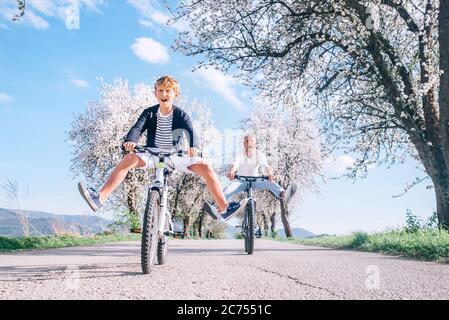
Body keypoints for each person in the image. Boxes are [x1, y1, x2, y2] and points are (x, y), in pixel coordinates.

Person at [78, 75, 247, 219]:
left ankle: (224, 208)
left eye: (168, 91)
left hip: (175, 156)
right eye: (160, 90)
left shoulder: (180, 114)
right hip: (152, 154)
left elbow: (190, 131)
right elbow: (137, 128)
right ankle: (100, 198)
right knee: (128, 159)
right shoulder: (149, 112)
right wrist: (130, 140)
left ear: (175, 94)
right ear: (155, 93)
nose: (164, 94)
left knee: (205, 166)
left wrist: (193, 146)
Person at [204, 133, 297, 221]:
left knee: (270, 182)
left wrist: (270, 174)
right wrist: (231, 172)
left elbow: (265, 166)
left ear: (255, 143)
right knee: (228, 189)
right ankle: (217, 208)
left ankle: (284, 195)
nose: (249, 143)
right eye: (246, 141)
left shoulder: (259, 155)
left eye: (251, 141)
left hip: (256, 180)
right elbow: (235, 164)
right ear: (244, 144)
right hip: (241, 180)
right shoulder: (240, 154)